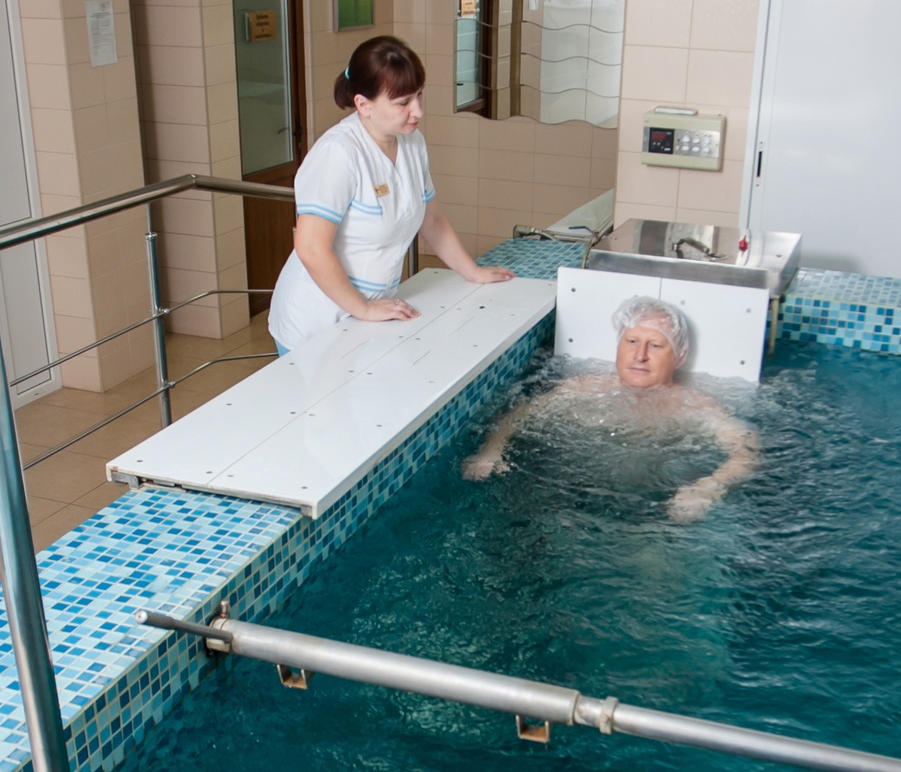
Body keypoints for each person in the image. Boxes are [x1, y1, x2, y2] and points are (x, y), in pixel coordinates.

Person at [267, 35, 512, 354]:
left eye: (419, 95)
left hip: (364, 316)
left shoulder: (412, 143)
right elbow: (312, 248)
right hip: (317, 319)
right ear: (363, 104)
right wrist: (364, 308)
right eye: (403, 102)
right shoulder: (338, 154)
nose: (418, 111)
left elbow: (432, 220)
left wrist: (472, 272)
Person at [462, 295, 759, 522]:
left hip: (653, 513)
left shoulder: (694, 405)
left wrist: (708, 487)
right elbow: (521, 413)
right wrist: (490, 451)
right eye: (632, 341)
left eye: (656, 345)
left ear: (679, 356)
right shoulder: (583, 388)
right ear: (619, 345)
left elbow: (747, 451)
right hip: (566, 502)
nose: (640, 355)